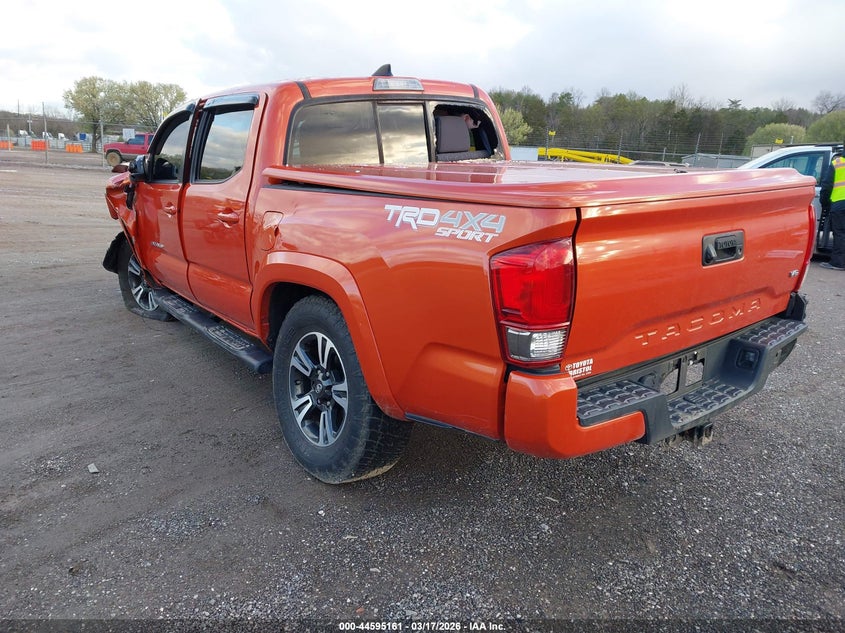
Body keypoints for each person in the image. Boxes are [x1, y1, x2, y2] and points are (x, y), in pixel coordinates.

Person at [820, 145, 845, 270]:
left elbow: (827, 186)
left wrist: (824, 203)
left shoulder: (837, 163)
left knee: (840, 233)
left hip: (839, 203)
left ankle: (838, 263)